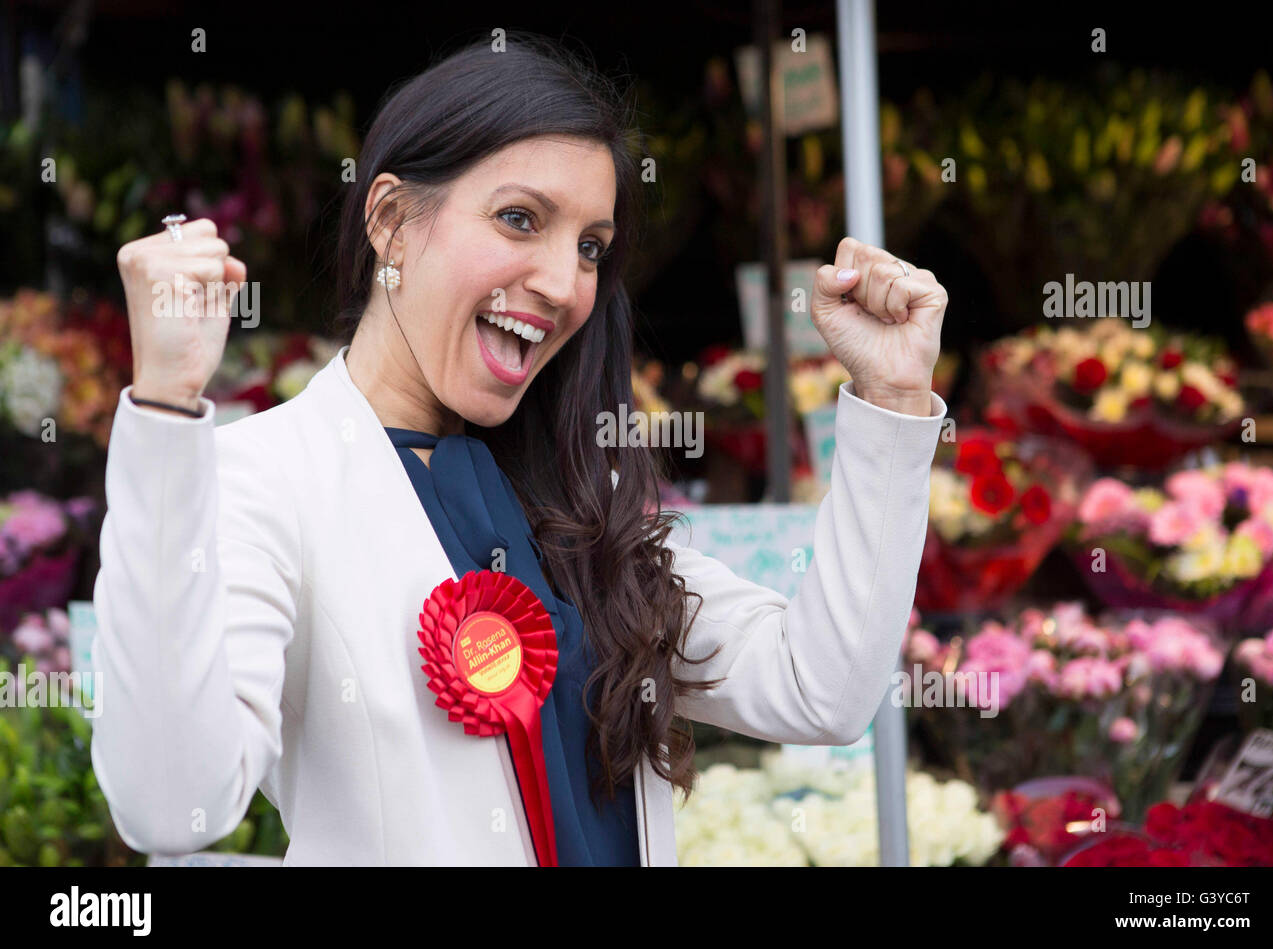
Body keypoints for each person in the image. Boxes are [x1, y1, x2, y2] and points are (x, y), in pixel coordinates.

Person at [91, 33, 949, 866]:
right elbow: (170, 803)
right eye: (518, 219)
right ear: (390, 219)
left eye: (590, 248)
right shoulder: (267, 479)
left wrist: (895, 398)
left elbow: (822, 687)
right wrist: (165, 407)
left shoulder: (580, 496)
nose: (563, 282)